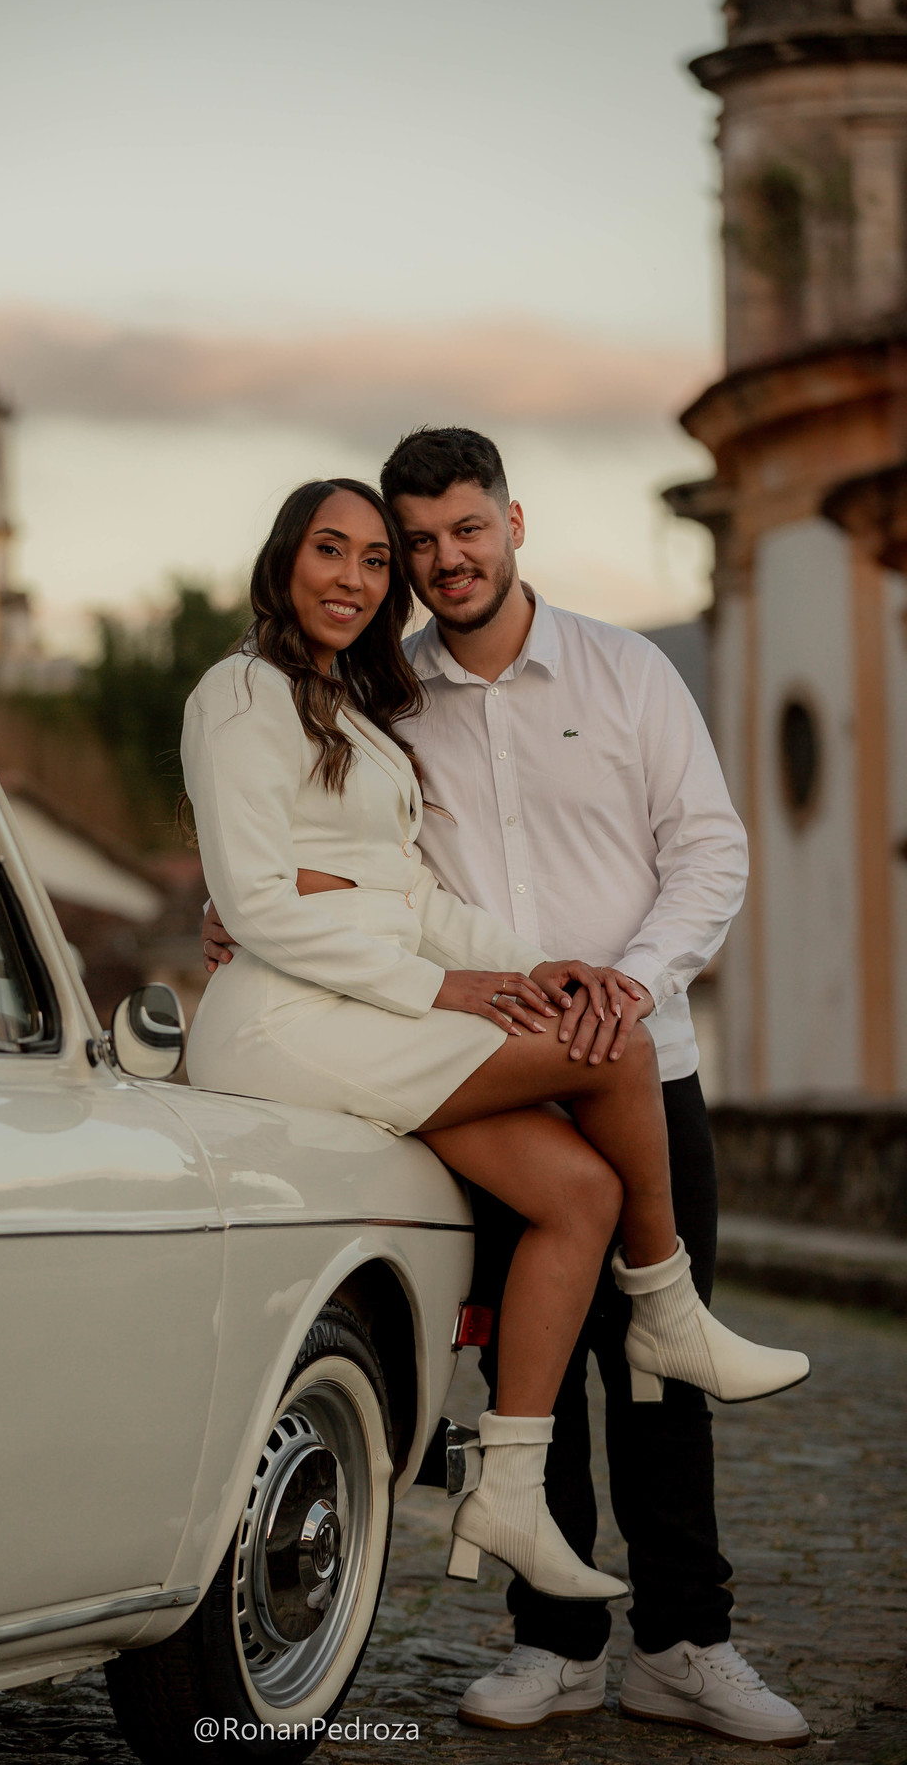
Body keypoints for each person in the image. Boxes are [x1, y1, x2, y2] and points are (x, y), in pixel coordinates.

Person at [182, 475, 807, 1635]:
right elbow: (261, 898)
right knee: (610, 1043)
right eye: (336, 550)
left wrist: (540, 971)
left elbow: (407, 896)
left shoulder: (366, 704)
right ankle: (666, 1306)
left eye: (376, 559)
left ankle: (509, 1493)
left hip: (367, 1015)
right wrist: (450, 983)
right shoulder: (239, 690)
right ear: (284, 560)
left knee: (579, 1192)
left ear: (509, 527)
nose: (358, 576)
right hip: (293, 1028)